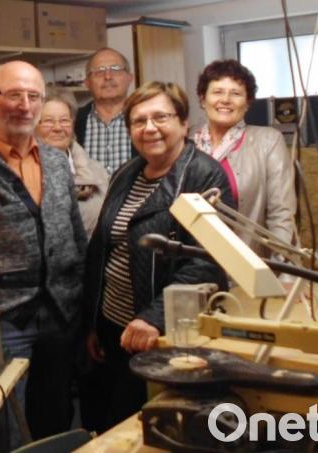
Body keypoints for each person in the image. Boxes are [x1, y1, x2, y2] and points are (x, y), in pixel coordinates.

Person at [81, 81, 234, 434]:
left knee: (143, 427)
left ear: (183, 123)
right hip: (114, 326)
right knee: (107, 423)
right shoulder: (126, 173)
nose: (149, 128)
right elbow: (102, 248)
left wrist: (153, 317)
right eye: (139, 121)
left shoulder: (204, 175)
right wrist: (93, 322)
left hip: (158, 333)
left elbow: (206, 261)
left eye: (160, 117)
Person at [0, 61, 87, 448]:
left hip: (60, 312)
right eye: (14, 95)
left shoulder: (55, 160)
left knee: (55, 415)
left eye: (34, 96)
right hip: (3, 319)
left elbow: (75, 233)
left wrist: (81, 299)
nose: (25, 105)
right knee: (6, 423)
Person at [193, 59, 296, 257]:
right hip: (192, 263)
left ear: (247, 103)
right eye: (217, 92)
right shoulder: (186, 142)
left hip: (246, 262)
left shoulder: (268, 141)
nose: (225, 100)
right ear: (203, 99)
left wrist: (280, 263)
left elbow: (281, 213)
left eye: (236, 93)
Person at [35, 87, 109, 236]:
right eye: (48, 121)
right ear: (34, 125)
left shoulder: (97, 171)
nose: (58, 128)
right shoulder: (25, 171)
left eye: (64, 121)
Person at [75, 47, 136, 173]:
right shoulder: (72, 121)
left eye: (116, 69)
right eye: (99, 71)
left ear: (130, 78)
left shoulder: (146, 120)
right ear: (87, 82)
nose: (108, 76)